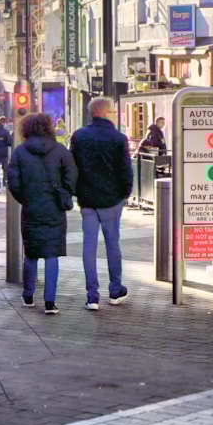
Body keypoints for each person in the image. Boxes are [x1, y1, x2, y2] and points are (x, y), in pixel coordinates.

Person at [8, 112, 77, 315]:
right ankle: (50, 301)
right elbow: (72, 176)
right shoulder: (60, 150)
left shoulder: (20, 152)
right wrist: (63, 193)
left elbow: (14, 182)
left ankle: (28, 295)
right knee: (51, 253)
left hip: (31, 207)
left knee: (31, 253)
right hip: (54, 208)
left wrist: (26, 198)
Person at [70, 97, 134, 310]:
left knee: (89, 247)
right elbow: (125, 169)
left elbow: (73, 167)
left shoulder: (79, 136)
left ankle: (92, 296)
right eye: (113, 111)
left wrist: (76, 191)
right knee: (112, 244)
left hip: (87, 199)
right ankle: (115, 290)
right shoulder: (118, 138)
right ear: (106, 113)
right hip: (111, 199)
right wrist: (125, 193)